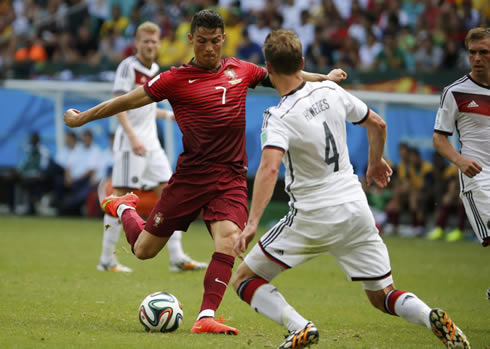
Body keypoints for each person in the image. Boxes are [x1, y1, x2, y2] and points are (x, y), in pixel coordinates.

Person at [63, 10, 347, 335]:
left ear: (223, 39)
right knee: (143, 251)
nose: (209, 48)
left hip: (230, 177)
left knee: (228, 241)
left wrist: (323, 78)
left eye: (214, 41)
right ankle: (123, 206)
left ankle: (205, 316)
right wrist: (83, 117)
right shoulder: (174, 79)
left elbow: (287, 75)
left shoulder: (241, 69)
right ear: (191, 40)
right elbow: (127, 100)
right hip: (190, 178)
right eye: (202, 42)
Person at [231, 29, 470, 349]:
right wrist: (374, 163)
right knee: (383, 295)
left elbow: (270, 167)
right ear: (302, 62)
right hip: (355, 208)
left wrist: (251, 223)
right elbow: (378, 124)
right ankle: (429, 317)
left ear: (268, 68)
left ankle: (298, 326)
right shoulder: (330, 90)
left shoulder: (277, 116)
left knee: (244, 279)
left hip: (312, 214)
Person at [96, 21, 207, 273]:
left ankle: (177, 257)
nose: (149, 45)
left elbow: (145, 107)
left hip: (152, 144)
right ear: (137, 43)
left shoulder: (156, 69)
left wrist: (169, 116)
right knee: (120, 198)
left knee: (171, 194)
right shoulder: (128, 67)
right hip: (129, 143)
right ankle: (106, 259)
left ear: (159, 44)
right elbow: (118, 104)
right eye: (145, 41)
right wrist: (133, 137)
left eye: (153, 41)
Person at [433, 27, 489, 248]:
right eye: (472, 52)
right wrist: (460, 160)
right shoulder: (454, 92)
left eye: (484, 52)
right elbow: (439, 138)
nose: (477, 58)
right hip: (479, 180)